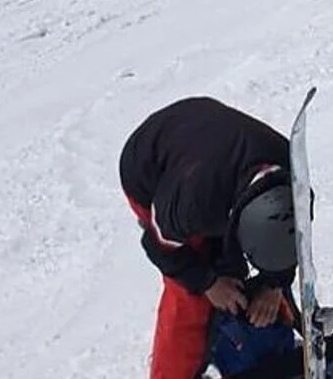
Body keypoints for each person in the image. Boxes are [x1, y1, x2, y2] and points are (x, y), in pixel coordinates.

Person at [119, 96, 299, 379]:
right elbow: (157, 245)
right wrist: (208, 282)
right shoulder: (189, 208)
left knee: (244, 273)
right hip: (149, 167)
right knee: (191, 297)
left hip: (210, 155)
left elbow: (287, 238)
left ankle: (268, 341)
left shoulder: (295, 182)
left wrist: (274, 284)